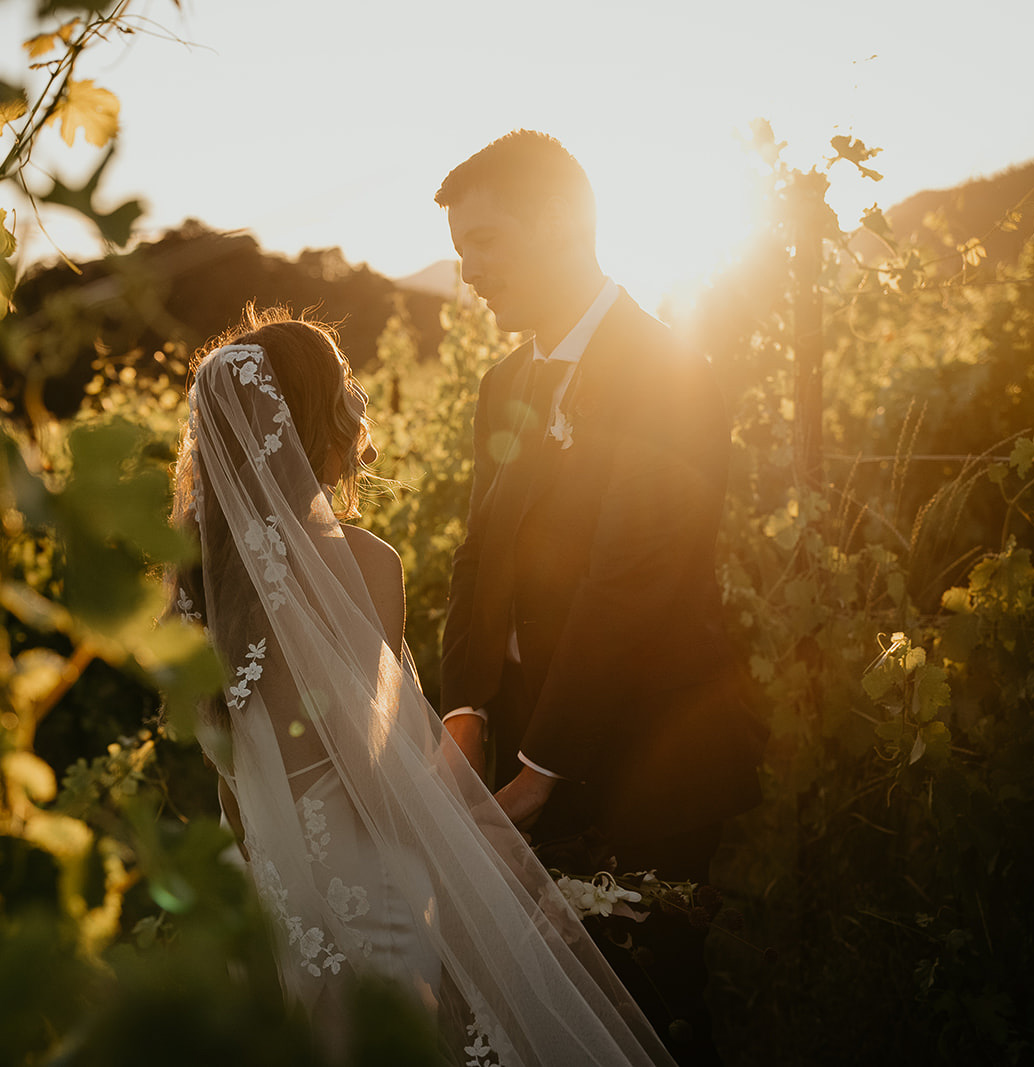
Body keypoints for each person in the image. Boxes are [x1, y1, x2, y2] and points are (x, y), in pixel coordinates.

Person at [170, 306, 676, 1066]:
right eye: (345, 386)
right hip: (373, 884)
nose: (360, 403)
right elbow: (382, 760)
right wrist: (487, 869)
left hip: (274, 885)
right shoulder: (366, 564)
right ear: (308, 419)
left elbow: (229, 778)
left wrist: (265, 872)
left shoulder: (199, 587)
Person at [434, 131, 767, 1062]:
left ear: (559, 226)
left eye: (485, 245)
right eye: (459, 253)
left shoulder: (668, 370)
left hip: (645, 756)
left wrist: (542, 767)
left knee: (645, 1009)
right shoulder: (503, 384)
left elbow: (634, 579)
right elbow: (477, 559)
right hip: (523, 756)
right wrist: (465, 711)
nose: (470, 275)